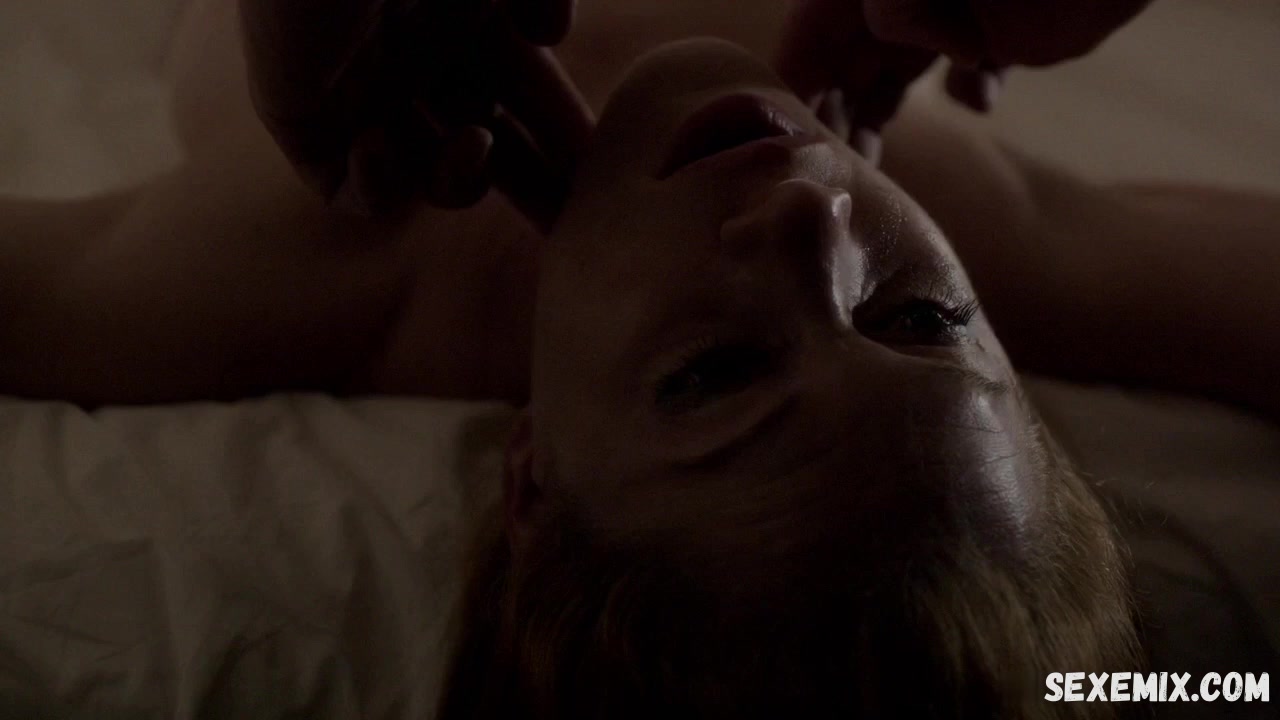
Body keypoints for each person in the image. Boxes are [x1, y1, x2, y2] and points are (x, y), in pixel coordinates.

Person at [0, 0, 1276, 717]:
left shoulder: (339, 252)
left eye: (714, 375)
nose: (811, 221)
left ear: (532, 482)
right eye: (923, 324)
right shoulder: (946, 217)